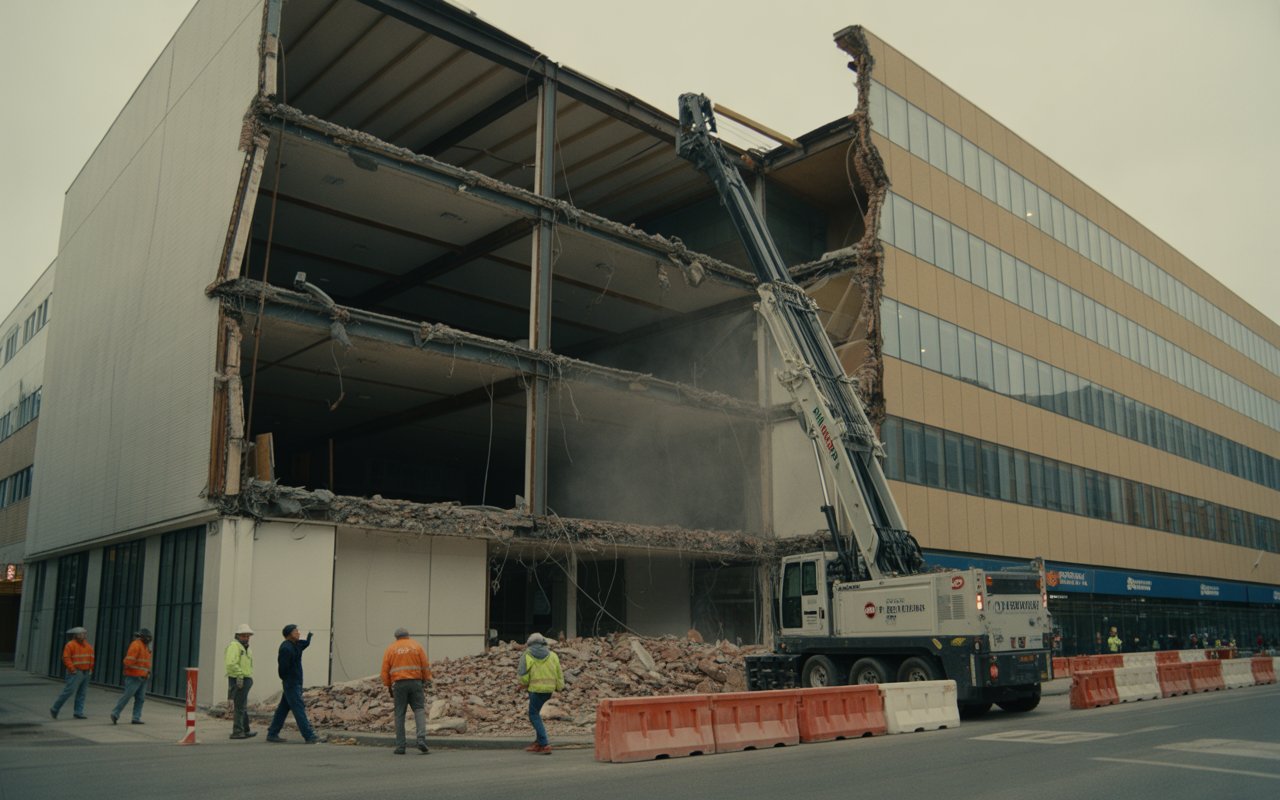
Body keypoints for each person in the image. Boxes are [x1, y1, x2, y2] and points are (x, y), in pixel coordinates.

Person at [380, 627, 432, 755]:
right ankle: (421, 739)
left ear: (396, 637)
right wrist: (426, 680)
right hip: (415, 682)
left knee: (399, 714)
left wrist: (388, 686)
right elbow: (425, 665)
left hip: (399, 684)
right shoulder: (416, 646)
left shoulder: (391, 649)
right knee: (419, 710)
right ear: (408, 636)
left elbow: (385, 671)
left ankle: (401, 746)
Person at [266, 624, 321, 744]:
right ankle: (309, 735)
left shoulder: (295, 645)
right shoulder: (286, 648)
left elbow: (304, 644)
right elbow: (282, 669)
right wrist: (287, 679)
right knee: (298, 708)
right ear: (289, 634)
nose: (298, 633)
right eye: (296, 631)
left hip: (295, 682)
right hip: (291, 683)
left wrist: (309, 637)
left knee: (283, 709)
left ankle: (272, 733)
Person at [517, 632, 564, 755]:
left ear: (530, 643)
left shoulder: (527, 655)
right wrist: (559, 687)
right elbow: (559, 673)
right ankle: (538, 743)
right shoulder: (553, 655)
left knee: (533, 715)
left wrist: (523, 684)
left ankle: (544, 743)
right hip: (549, 690)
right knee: (536, 713)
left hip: (535, 690)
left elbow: (523, 675)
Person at [50, 627, 95, 720]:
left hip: (85, 672)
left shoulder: (87, 645)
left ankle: (78, 712)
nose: (85, 635)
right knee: (69, 691)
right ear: (77, 635)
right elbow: (66, 658)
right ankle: (55, 708)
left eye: (85, 633)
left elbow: (91, 657)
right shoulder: (70, 645)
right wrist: (72, 669)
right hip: (76, 672)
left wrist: (90, 669)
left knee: (82, 693)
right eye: (82, 633)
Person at [110, 628, 153, 724]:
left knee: (140, 699)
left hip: (142, 677)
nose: (149, 639)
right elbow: (128, 661)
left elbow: (146, 663)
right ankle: (115, 713)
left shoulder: (145, 647)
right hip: (134, 677)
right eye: (148, 637)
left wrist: (147, 672)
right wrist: (134, 671)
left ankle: (136, 718)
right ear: (142, 637)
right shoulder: (136, 645)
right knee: (127, 696)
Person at [225, 623, 256, 739]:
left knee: (242, 705)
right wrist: (240, 675)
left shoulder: (244, 647)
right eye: (244, 636)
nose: (246, 638)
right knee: (239, 706)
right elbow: (231, 663)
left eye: (248, 636)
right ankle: (238, 731)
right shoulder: (235, 646)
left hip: (244, 678)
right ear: (237, 636)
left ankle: (244, 730)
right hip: (239, 678)